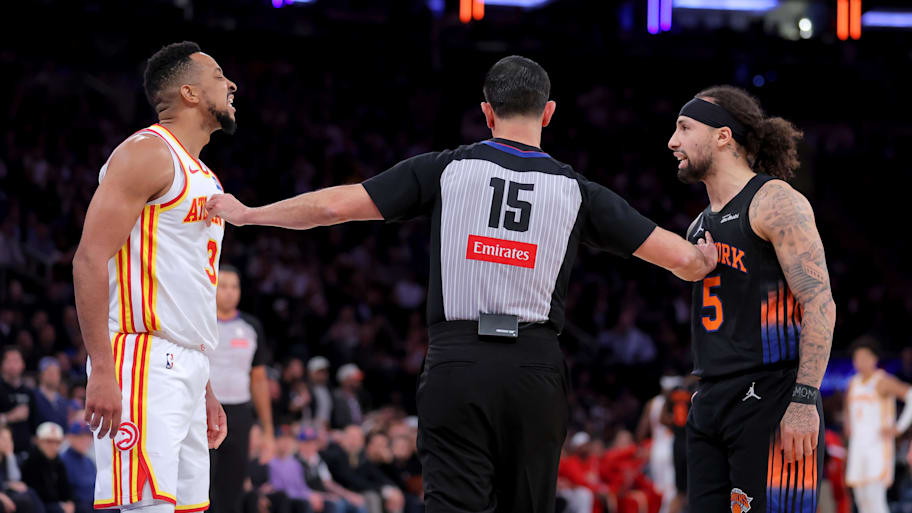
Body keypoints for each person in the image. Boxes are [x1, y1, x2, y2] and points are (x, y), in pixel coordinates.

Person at [206, 55, 717, 512]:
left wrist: (250, 214)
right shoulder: (579, 192)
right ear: (548, 113)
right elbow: (682, 260)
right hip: (535, 369)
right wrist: (707, 253)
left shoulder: (445, 170)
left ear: (487, 113)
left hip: (458, 362)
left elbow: (334, 205)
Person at [72, 41, 235, 512]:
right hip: (141, 357)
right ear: (188, 92)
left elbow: (185, 289)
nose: (231, 84)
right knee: (147, 508)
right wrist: (102, 367)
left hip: (186, 364)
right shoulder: (147, 152)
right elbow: (89, 259)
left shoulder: (206, 176)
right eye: (219, 75)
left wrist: (202, 383)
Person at [668, 85, 836, 512]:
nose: (673, 141)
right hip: (709, 400)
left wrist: (803, 400)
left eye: (685, 127)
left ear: (723, 136)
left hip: (773, 395)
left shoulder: (774, 202)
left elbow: (819, 302)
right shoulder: (696, 227)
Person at [209, 265, 275, 513]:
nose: (229, 292)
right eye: (223, 286)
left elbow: (258, 380)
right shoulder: (199, 322)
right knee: (203, 483)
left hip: (239, 413)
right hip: (204, 412)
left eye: (234, 287)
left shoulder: (251, 326)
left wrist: (268, 429)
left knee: (233, 485)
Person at [844, 336, 912, 513]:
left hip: (877, 449)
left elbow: (910, 395)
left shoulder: (882, 381)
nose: (860, 362)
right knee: (861, 500)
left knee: (875, 501)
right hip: (857, 448)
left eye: (864, 357)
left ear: (874, 359)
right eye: (856, 358)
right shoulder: (853, 383)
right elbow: (849, 412)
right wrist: (848, 427)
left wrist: (899, 428)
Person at [21, 422, 74, 513]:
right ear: (38, 441)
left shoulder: (59, 463)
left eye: (57, 442)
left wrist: (69, 502)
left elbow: (65, 488)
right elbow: (34, 492)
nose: (53, 446)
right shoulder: (30, 463)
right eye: (48, 441)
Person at [0, 347, 31, 459]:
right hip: (3, 454)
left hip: (26, 451)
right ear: (2, 364)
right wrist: (10, 417)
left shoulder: (28, 391)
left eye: (16, 361)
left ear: (23, 364)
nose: (13, 365)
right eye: (9, 361)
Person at [60, 421, 96, 513]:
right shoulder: (62, 461)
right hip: (78, 505)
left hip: (94, 504)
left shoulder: (89, 461)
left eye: (88, 437)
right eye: (80, 437)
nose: (85, 441)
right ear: (70, 438)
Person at [31, 357, 70, 430]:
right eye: (50, 372)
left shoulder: (63, 401)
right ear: (41, 375)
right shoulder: (33, 397)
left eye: (56, 373)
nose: (54, 376)